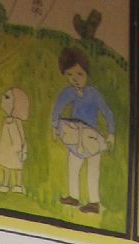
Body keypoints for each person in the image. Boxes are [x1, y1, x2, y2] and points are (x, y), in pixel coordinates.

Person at [51, 45, 114, 216]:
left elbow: (107, 112)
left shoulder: (93, 93)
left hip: (92, 136)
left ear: (87, 73)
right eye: (70, 75)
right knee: (73, 165)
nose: (75, 79)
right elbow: (58, 108)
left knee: (93, 169)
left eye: (79, 74)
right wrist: (55, 126)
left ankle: (94, 202)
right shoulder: (68, 92)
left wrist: (111, 133)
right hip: (75, 133)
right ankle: (74, 197)